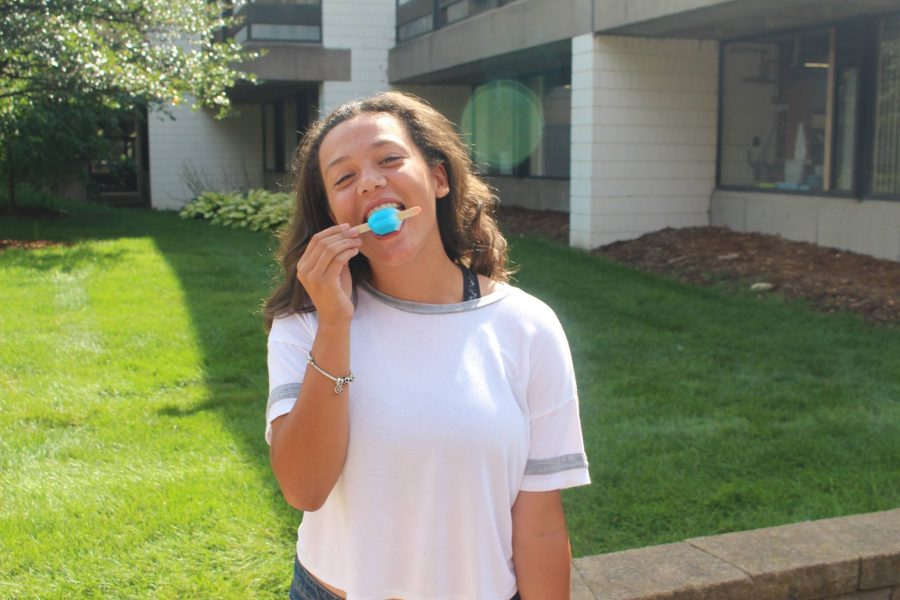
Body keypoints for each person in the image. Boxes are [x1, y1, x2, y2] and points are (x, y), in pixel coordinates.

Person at [263, 91, 590, 600]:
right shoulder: (304, 326)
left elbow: (541, 524)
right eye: (344, 178)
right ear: (332, 214)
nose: (369, 180)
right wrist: (335, 324)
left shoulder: (528, 328)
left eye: (389, 160)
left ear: (438, 178)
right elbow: (304, 488)